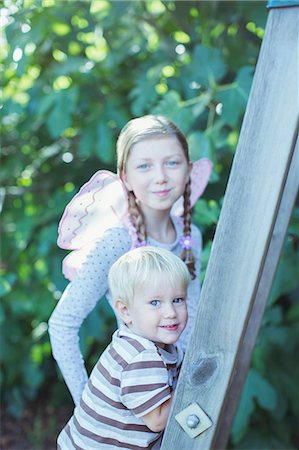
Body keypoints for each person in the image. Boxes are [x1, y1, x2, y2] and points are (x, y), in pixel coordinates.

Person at [49, 115, 212, 405]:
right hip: (132, 399)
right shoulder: (118, 241)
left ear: (188, 167)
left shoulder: (191, 237)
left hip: (181, 393)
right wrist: (87, 403)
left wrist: (189, 383)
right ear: (125, 176)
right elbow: (62, 324)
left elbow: (193, 312)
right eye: (144, 166)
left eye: (172, 162)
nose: (160, 176)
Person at [57, 246, 190, 450]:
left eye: (178, 300)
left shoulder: (131, 340)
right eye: (155, 302)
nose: (171, 312)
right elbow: (157, 420)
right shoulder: (142, 357)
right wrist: (189, 381)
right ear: (125, 312)